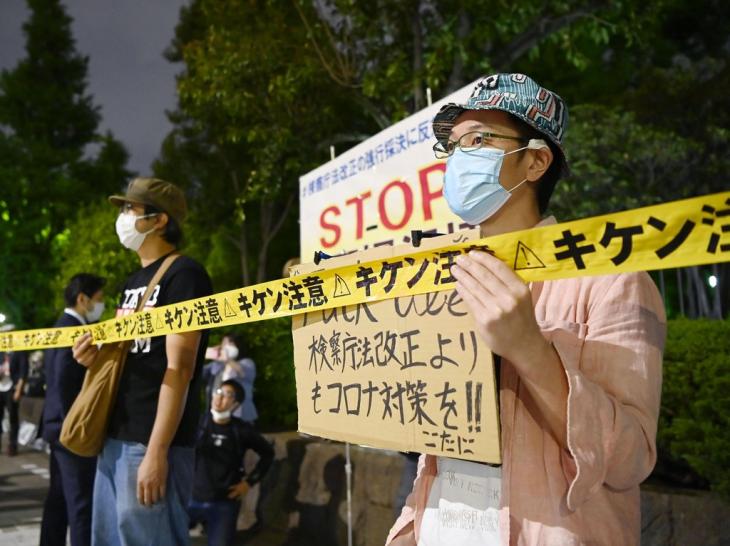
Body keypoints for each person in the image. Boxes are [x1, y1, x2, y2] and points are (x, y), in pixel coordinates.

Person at [386, 73, 666, 545]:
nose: (458, 160)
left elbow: (631, 458)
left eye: (477, 140)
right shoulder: (438, 280)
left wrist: (530, 351)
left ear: (536, 160)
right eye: (453, 147)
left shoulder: (612, 278)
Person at [73, 177, 213, 546]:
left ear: (160, 220)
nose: (122, 217)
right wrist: (93, 360)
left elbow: (180, 369)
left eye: (130, 209)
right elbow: (133, 356)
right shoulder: (134, 280)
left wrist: (157, 451)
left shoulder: (186, 275)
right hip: (115, 435)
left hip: (150, 441)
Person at [40, 273, 106, 546]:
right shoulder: (73, 331)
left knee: (58, 499)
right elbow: (65, 382)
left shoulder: (60, 327)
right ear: (83, 299)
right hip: (71, 431)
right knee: (81, 504)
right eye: (100, 299)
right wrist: (78, 427)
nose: (102, 306)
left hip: (56, 426)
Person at [188, 379, 273, 546]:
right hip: (191, 498)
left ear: (235, 404)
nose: (220, 397)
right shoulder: (198, 423)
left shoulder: (241, 430)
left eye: (227, 395)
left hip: (224, 503)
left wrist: (248, 483)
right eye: (218, 392)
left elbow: (268, 454)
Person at [203, 334, 258, 423]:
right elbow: (200, 373)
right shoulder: (217, 365)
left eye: (230, 343)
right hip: (218, 414)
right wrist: (205, 354)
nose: (226, 347)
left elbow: (242, 372)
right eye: (224, 343)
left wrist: (227, 360)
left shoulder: (247, 363)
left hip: (241, 414)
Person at [0, 332, 28, 457]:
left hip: (12, 387)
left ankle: (12, 445)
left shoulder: (19, 350)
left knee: (13, 418)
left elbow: (23, 372)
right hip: (0, 387)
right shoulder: (1, 351)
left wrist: (18, 390)